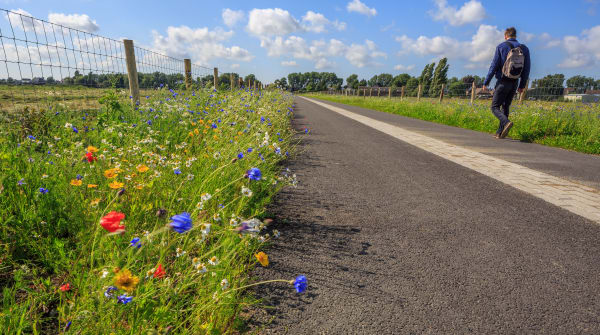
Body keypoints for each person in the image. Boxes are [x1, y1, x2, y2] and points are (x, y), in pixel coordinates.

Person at [482, 27, 530, 139]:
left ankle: (506, 122)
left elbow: (494, 66)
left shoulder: (501, 47)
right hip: (514, 82)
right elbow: (527, 68)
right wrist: (522, 85)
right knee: (506, 106)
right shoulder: (524, 49)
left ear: (505, 36)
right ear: (515, 35)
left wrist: (486, 82)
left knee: (494, 107)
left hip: (503, 81)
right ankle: (500, 133)